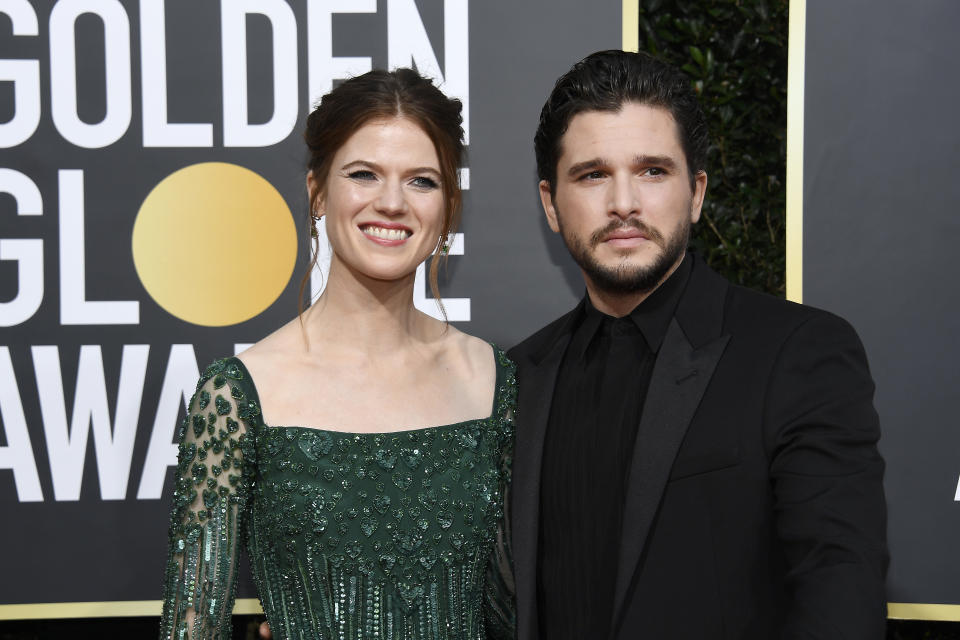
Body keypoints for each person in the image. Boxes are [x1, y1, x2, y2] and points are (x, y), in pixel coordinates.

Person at [507, 50, 888, 639]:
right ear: (550, 205)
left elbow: (840, 591)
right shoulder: (517, 377)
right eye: (592, 174)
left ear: (697, 193)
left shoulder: (797, 354)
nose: (624, 203)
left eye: (653, 171)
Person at [159, 68, 516, 640]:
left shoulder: (494, 381)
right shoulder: (237, 396)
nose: (392, 202)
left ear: (449, 206)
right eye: (363, 174)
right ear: (317, 191)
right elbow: (191, 629)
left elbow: (516, 612)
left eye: (422, 181)